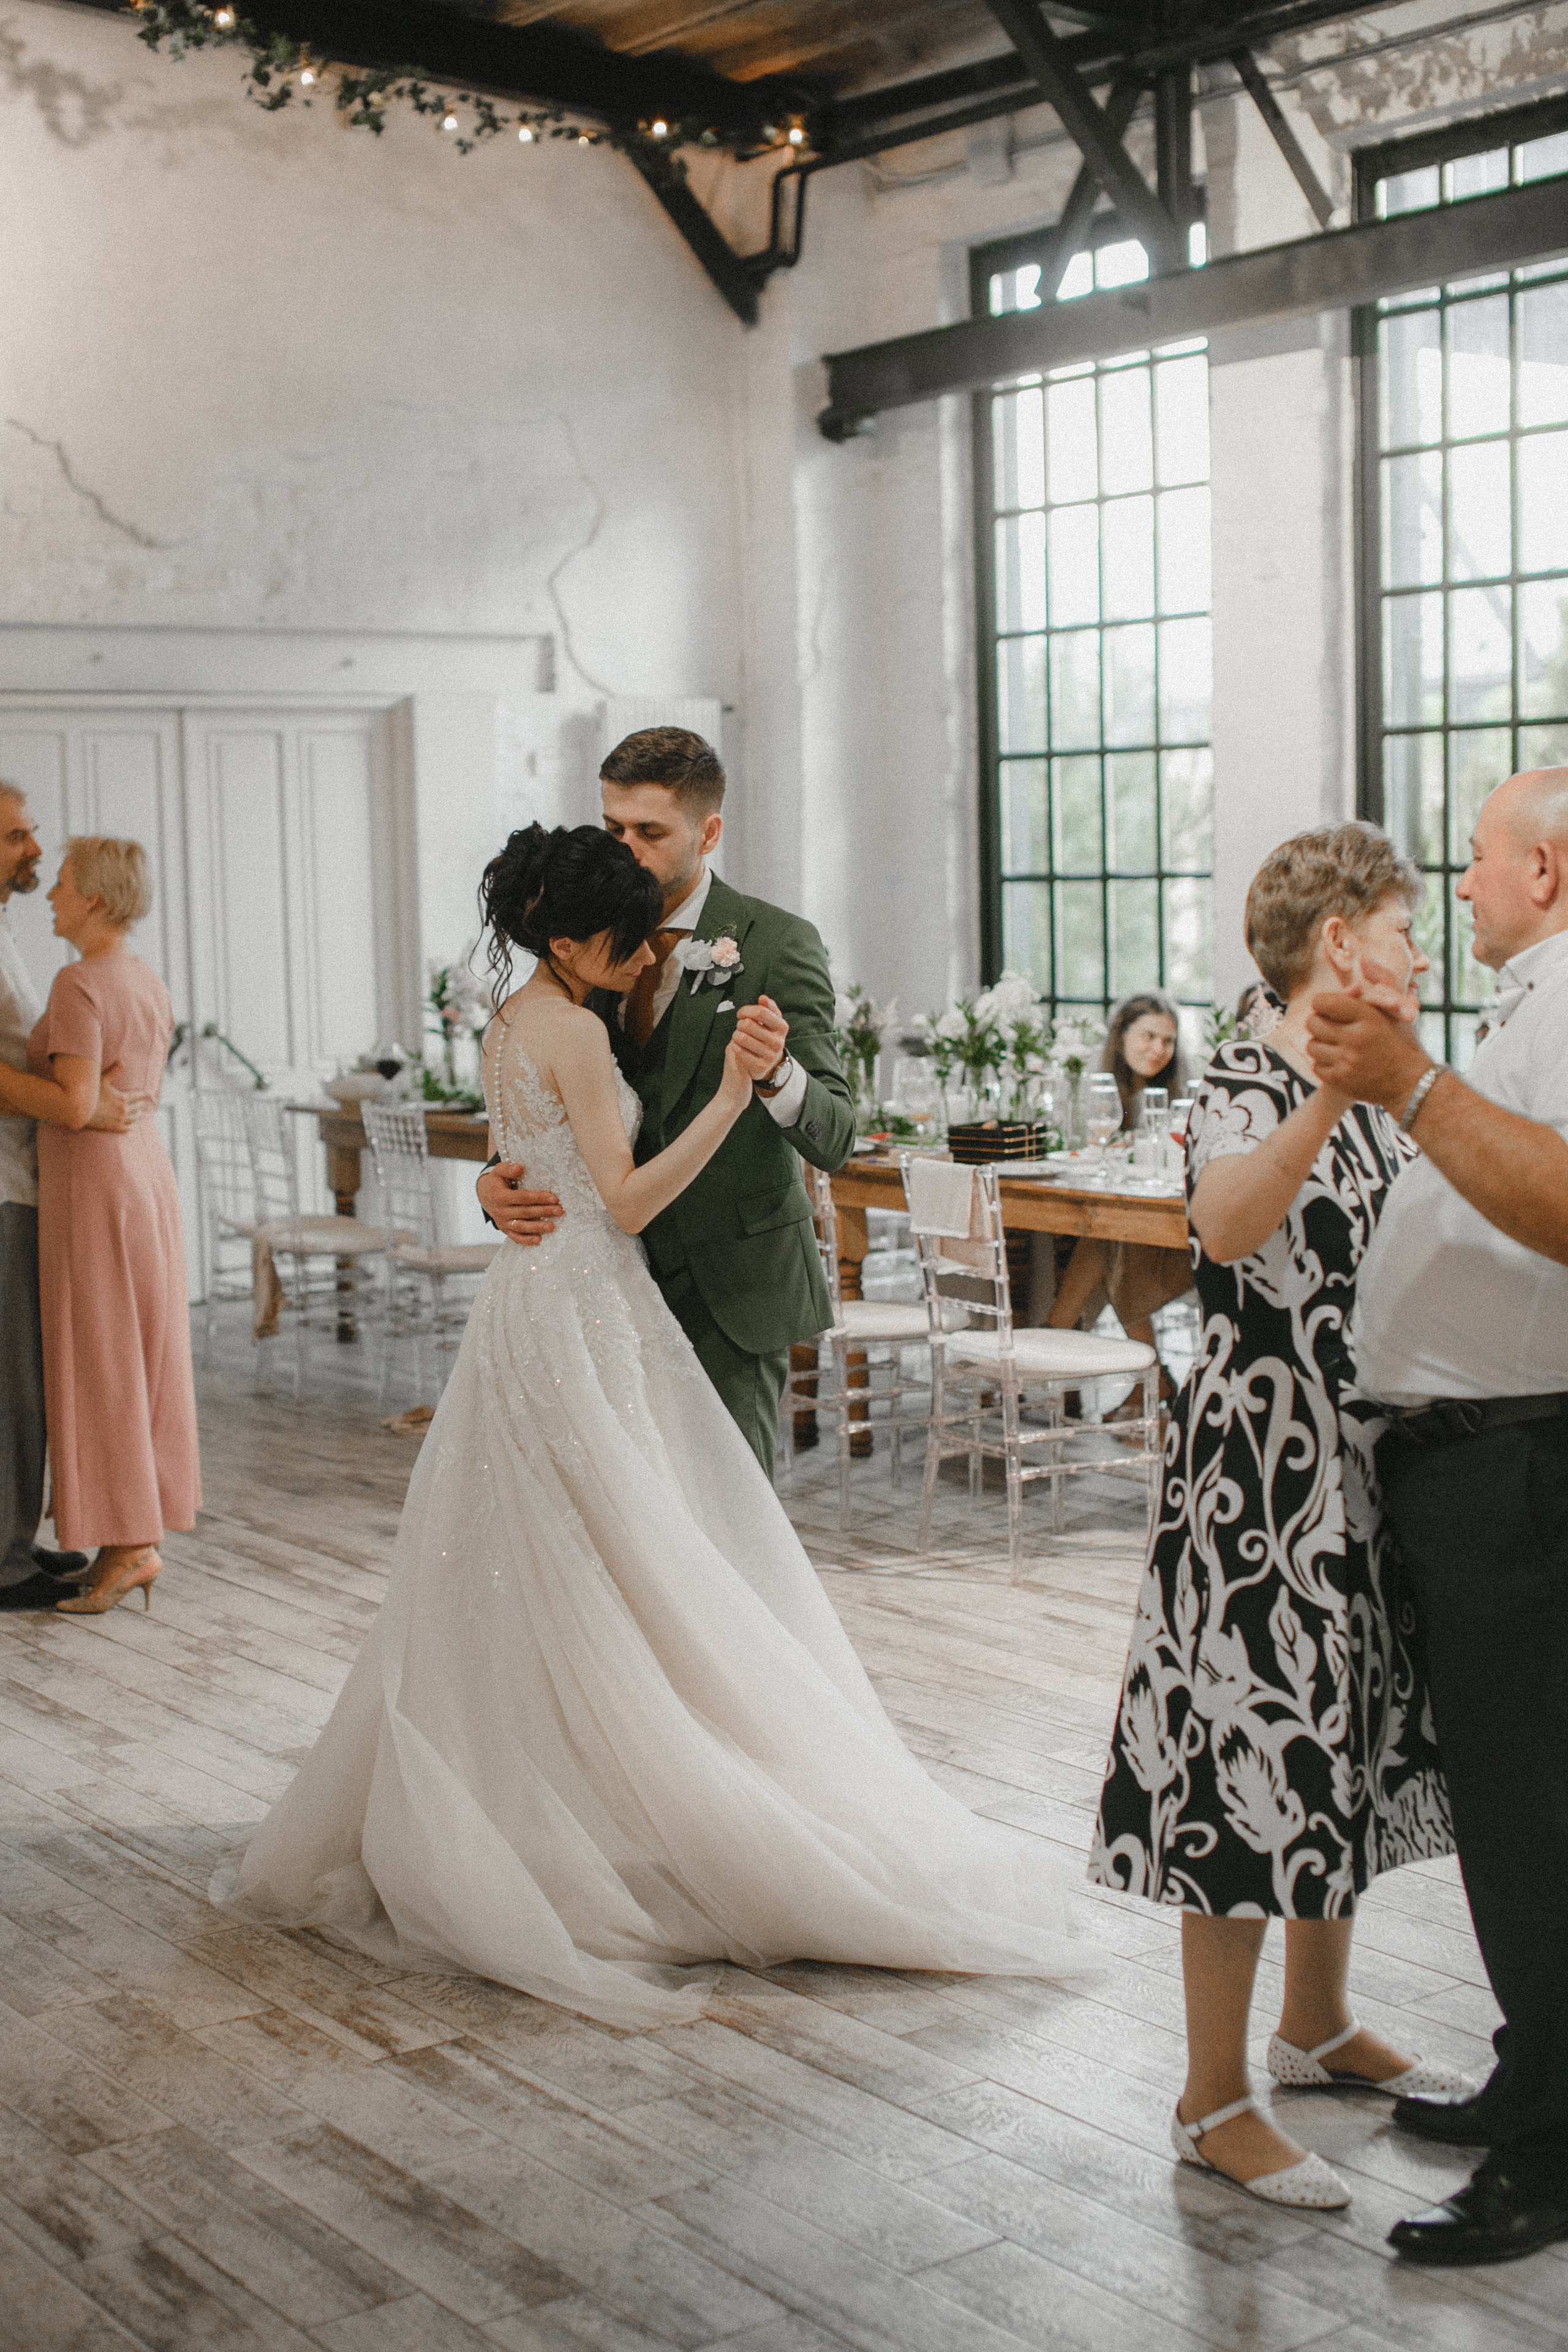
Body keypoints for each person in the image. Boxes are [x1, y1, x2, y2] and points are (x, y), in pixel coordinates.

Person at [213, 824, 1095, 2026]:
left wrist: (512, 1180)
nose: (639, 958)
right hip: (583, 1299)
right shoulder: (571, 1028)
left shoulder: (513, 1018)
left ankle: (560, 1797)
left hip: (536, 1306)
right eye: (620, 943)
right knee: (626, 1559)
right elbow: (620, 1200)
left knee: (564, 1562)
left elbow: (535, 1159)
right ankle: (624, 1813)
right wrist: (730, 1094)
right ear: (567, 940)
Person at [1090, 823, 1468, 2211]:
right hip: (1257, 1484)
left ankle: (1313, 2024)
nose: (1419, 947)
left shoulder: (1379, 1084)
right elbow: (1225, 1227)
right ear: (1335, 944)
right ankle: (1211, 2096)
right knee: (1244, 1764)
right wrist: (1319, 1096)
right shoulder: (1250, 1072)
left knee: (1339, 1749)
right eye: (1399, 923)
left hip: (1360, 1472)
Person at [1308, 767, 1568, 2268]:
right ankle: (1537, 2075)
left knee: (1537, 1827)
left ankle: (1546, 2160)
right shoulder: (1529, 992)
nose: (1456, 889)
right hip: (1469, 1461)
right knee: (1514, 1816)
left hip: (1523, 1465)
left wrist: (1405, 1080)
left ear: (1543, 865)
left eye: (1473, 863)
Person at [477, 728, 854, 1482]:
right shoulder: (583, 936)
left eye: (649, 832)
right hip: (604, 1291)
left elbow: (837, 1137)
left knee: (730, 1523)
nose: (626, 849)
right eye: (613, 827)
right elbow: (550, 1093)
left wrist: (777, 1071)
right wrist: (497, 1181)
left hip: (731, 1293)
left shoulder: (777, 943)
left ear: (708, 832)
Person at [0, 838, 200, 1615]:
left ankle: (129, 1546)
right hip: (143, 1174)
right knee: (139, 1356)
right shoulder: (143, 979)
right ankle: (128, 1541)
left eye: (62, 885)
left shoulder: (80, 982)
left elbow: (78, 1104)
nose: (51, 893)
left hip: (94, 1186)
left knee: (104, 1362)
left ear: (92, 898)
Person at [1047, 990, 1192, 1408]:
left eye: (1168, 1041)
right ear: (1122, 1035)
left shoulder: (1179, 1099)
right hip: (1128, 1229)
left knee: (1108, 1242)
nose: (1158, 1050)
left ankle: (1054, 1336)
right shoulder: (1099, 1094)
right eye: (1148, 1036)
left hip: (1174, 1234)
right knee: (1108, 1240)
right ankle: (1152, 1378)